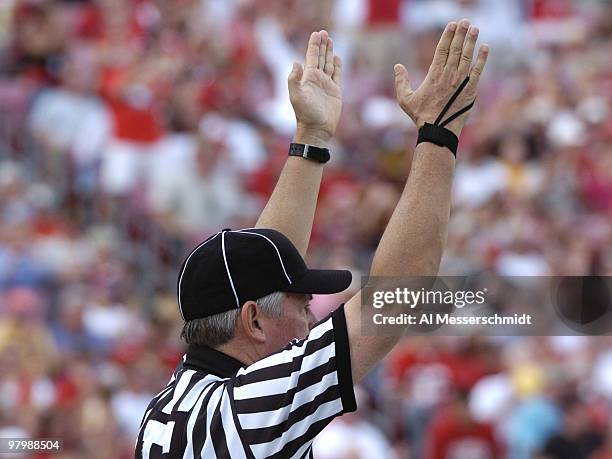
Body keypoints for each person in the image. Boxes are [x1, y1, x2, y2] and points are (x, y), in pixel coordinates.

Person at [136, 19, 489, 459]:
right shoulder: (250, 409)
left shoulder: (176, 399)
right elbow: (399, 292)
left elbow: (265, 256)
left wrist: (311, 139)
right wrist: (440, 134)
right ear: (254, 321)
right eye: (300, 303)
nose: (311, 315)